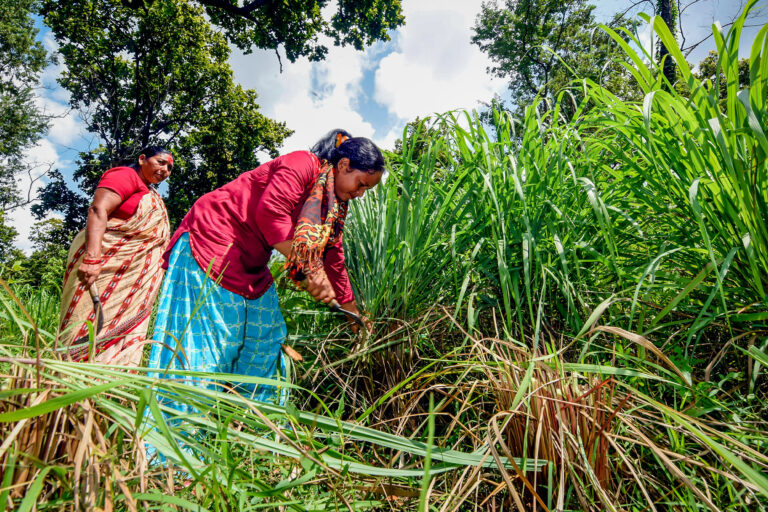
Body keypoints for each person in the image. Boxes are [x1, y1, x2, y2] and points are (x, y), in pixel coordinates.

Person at [147, 130, 384, 405]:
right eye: (361, 183)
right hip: (214, 240)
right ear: (344, 165)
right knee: (203, 345)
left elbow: (333, 254)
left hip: (252, 260)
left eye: (366, 189)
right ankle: (178, 433)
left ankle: (250, 424)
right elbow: (271, 212)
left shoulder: (333, 208)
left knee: (266, 335)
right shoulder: (302, 164)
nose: (359, 194)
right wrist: (310, 270)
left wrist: (351, 311)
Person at [58, 146, 172, 365]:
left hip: (128, 277)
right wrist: (92, 259)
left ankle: (104, 390)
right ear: (142, 159)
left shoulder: (151, 193)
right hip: (101, 263)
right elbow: (98, 210)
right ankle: (65, 381)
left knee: (117, 331)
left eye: (169, 167)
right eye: (160, 162)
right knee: (84, 321)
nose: (165, 169)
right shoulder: (124, 175)